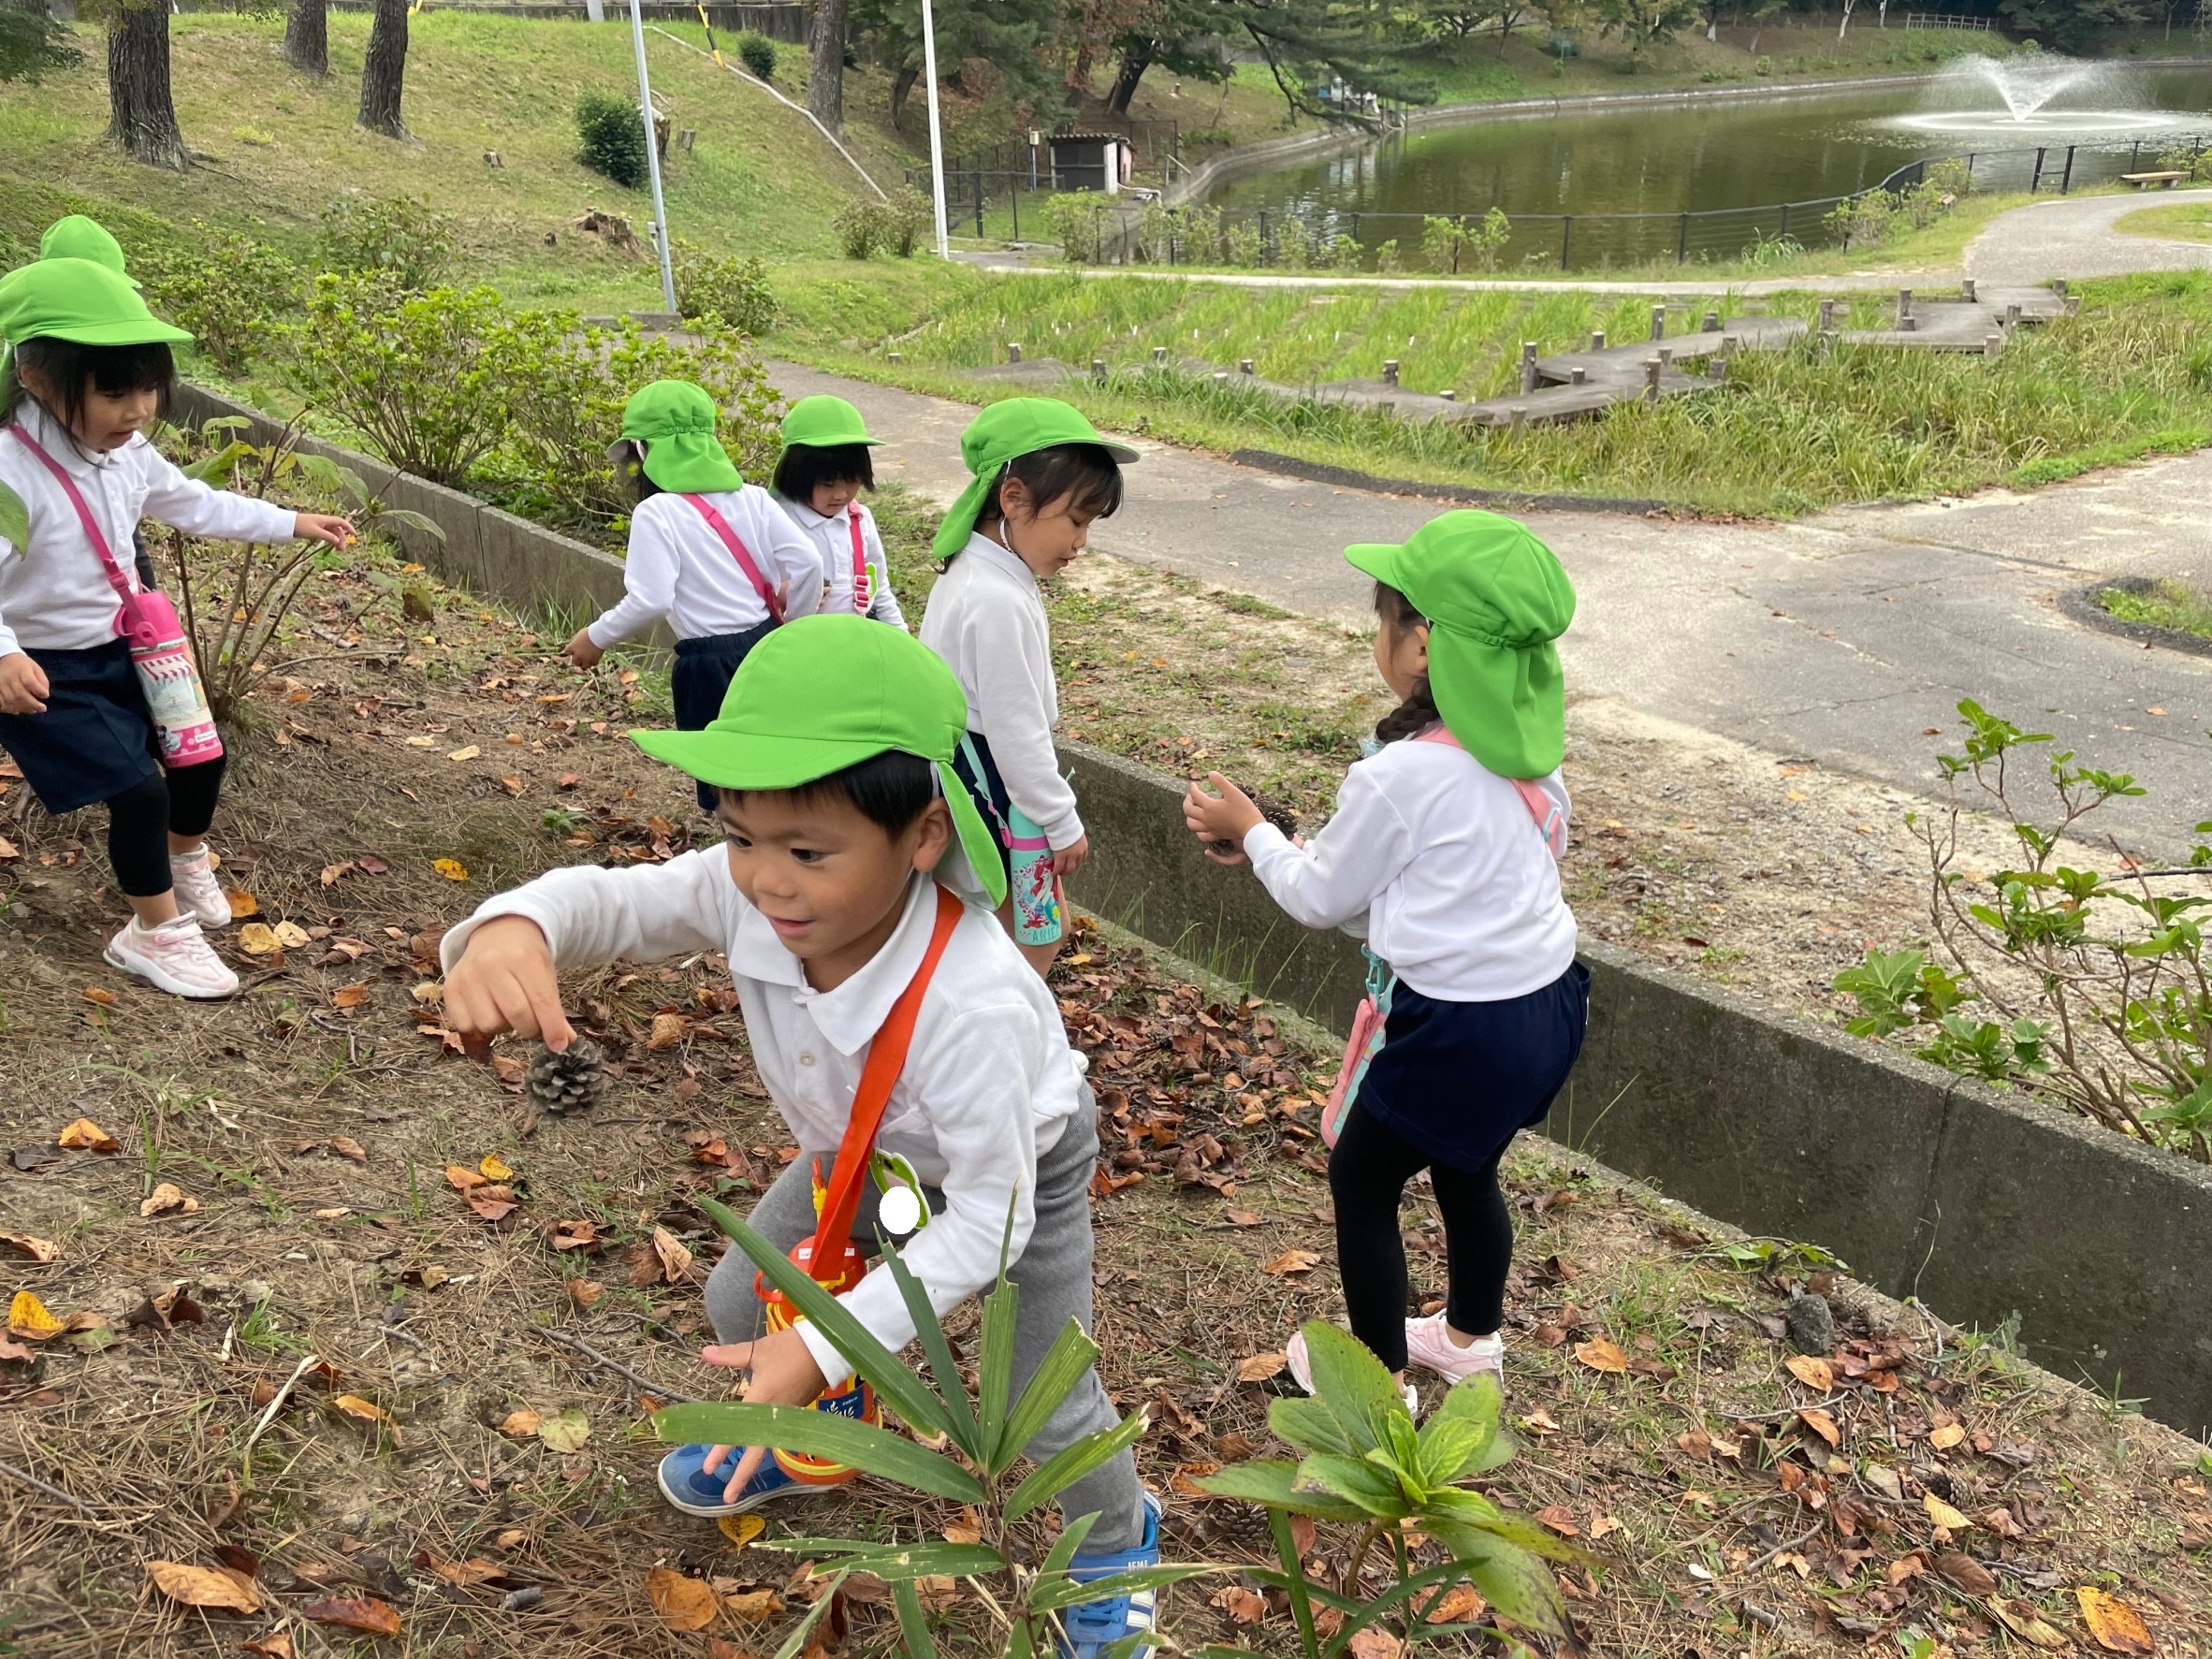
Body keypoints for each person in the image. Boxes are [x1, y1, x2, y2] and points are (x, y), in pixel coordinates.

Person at [441, 616, 1163, 1657]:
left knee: (1037, 1393)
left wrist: (827, 1338)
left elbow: (986, 1227)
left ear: (921, 835)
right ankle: (829, 1419)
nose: (766, 879)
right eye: (740, 836)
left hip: (1010, 1175)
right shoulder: (760, 898)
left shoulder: (976, 1007)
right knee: (741, 1297)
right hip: (863, 1155)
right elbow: (612, 900)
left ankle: (1115, 1543)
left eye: (806, 849)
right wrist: (518, 926)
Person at [1182, 511, 1589, 1404]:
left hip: (1460, 1026)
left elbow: (1322, 897)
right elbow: (1445, 880)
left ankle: (1376, 1386)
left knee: (1361, 1177)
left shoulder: (1399, 775)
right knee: (1467, 1161)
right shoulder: (1528, 754)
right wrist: (1294, 847)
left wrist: (1254, 834)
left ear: (1422, 646)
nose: (1381, 636)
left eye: (1386, 618)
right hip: (1549, 1003)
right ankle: (1469, 1338)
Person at [0, 257, 355, 1000]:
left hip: (129, 647)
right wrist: (4, 653)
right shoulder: (10, 468)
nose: (136, 410)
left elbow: (193, 501)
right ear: (36, 377)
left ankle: (181, 858)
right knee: (137, 791)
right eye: (113, 391)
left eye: (149, 390)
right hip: (46, 667)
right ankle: (151, 933)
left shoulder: (127, 451)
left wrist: (292, 521)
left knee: (198, 757)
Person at [917, 399, 1136, 978]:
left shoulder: (976, 570)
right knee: (1038, 932)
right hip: (996, 788)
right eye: (1076, 521)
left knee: (1003, 927)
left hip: (974, 777)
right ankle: (1009, 1046)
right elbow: (1017, 732)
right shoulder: (995, 598)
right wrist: (1061, 820)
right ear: (1013, 499)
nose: (1082, 542)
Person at [562, 379, 822, 812]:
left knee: (725, 782)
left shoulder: (657, 511)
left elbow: (651, 600)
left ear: (644, 451)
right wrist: (795, 622)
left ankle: (736, 861)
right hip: (766, 647)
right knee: (772, 766)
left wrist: (597, 636)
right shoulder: (753, 498)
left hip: (707, 664)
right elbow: (809, 563)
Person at [770, 395, 906, 628]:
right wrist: (778, 592)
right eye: (828, 484)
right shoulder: (777, 521)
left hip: (854, 636)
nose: (841, 495)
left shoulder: (860, 519)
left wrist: (902, 637)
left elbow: (880, 588)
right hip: (800, 644)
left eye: (852, 481)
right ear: (795, 474)